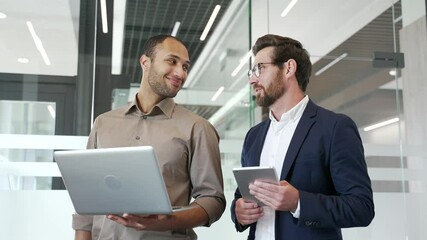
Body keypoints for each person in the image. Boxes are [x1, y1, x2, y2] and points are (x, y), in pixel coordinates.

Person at [73, 35, 226, 240]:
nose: (180, 73)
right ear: (145, 62)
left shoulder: (198, 128)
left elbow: (213, 200)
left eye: (185, 66)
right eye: (172, 61)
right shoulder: (103, 123)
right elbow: (88, 197)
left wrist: (170, 220)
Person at [231, 34, 375, 240]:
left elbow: (361, 208)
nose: (253, 79)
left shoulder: (335, 127)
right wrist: (239, 212)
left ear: (289, 68)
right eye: (251, 72)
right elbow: (241, 195)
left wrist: (298, 202)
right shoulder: (254, 136)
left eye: (260, 68)